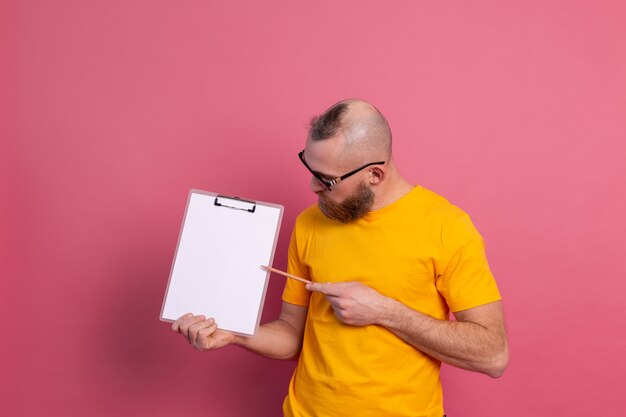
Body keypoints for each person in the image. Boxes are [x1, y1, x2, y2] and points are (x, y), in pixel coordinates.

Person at [172, 99, 509, 417]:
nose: (312, 187)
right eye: (310, 168)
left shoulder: (446, 227)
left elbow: (493, 355)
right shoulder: (309, 224)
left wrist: (384, 311)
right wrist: (237, 334)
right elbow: (292, 334)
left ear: (374, 175)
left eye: (326, 180)